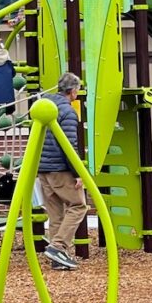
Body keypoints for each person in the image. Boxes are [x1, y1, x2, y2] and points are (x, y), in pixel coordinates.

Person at [37, 72, 88, 271]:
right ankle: (58, 247)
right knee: (78, 206)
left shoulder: (44, 105)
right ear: (73, 91)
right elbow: (68, 146)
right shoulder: (67, 112)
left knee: (56, 213)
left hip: (43, 169)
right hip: (59, 168)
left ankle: (58, 259)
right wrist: (77, 173)